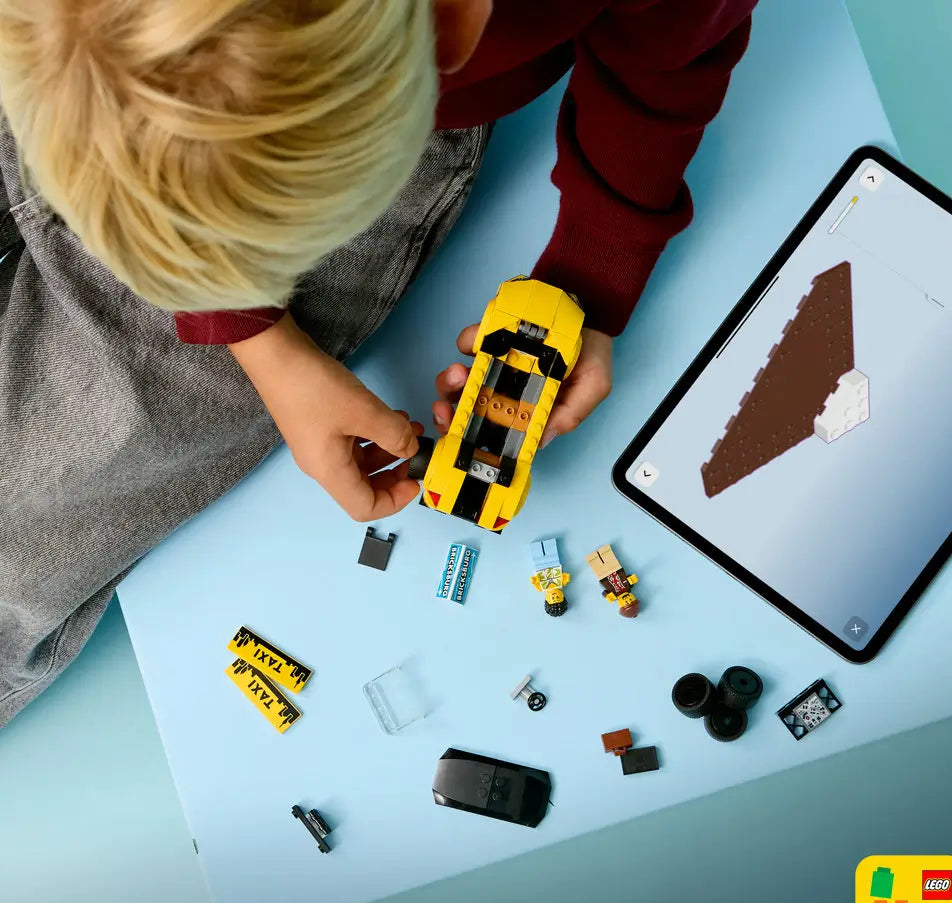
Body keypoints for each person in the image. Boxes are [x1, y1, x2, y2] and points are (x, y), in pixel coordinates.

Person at [0, 0, 756, 726]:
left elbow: (675, 44)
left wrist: (599, 261)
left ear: (456, 21)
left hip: (351, 98)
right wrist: (248, 330)